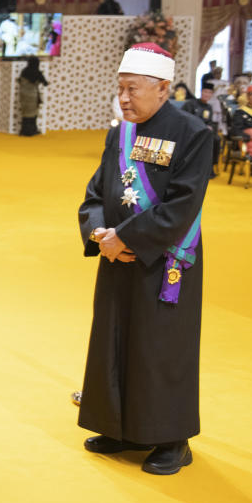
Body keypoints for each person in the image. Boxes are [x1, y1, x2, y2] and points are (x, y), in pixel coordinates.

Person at [78, 42, 212, 475]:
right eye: (120, 89)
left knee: (160, 347)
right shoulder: (120, 132)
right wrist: (99, 231)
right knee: (114, 340)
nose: (124, 98)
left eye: (133, 89)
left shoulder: (194, 134)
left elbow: (182, 205)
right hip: (116, 256)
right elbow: (97, 191)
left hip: (164, 259)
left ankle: (171, 439)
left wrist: (127, 238)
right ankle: (117, 426)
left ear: (162, 88)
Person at [182, 82, 220, 175]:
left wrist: (210, 126)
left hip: (204, 132)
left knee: (216, 139)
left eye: (209, 93)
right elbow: (184, 118)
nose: (207, 94)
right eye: (205, 92)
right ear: (201, 92)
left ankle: (210, 167)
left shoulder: (209, 107)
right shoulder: (191, 103)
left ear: (211, 95)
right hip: (191, 131)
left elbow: (209, 121)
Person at [18, 57, 48, 136]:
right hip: (33, 95)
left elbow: (19, 81)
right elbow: (45, 83)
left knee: (25, 113)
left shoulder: (24, 71)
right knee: (33, 114)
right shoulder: (37, 72)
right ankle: (32, 131)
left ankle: (24, 130)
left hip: (23, 95)